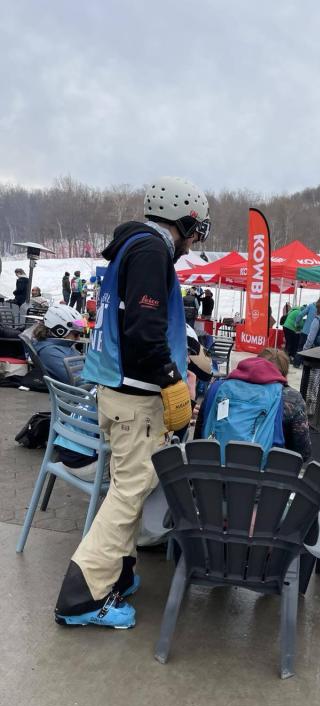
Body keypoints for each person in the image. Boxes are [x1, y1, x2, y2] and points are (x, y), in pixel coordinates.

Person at [54, 175, 210, 629]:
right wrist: (170, 382)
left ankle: (117, 576)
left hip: (117, 391)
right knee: (129, 491)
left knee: (130, 484)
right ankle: (80, 596)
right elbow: (144, 331)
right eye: (196, 227)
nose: (195, 238)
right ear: (183, 219)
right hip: (135, 396)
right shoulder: (151, 250)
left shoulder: (134, 245)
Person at [258, 348, 312, 461]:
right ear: (285, 372)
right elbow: (303, 452)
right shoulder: (292, 397)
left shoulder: (233, 390)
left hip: (230, 464)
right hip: (272, 468)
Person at [31, 305, 86, 383]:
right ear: (59, 330)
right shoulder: (50, 352)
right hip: (81, 392)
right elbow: (76, 382)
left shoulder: (61, 347)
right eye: (76, 334)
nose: (78, 339)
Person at [293, 302, 317, 367]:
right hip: (315, 334)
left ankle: (296, 363)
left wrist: (297, 324)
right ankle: (306, 365)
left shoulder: (311, 306)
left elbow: (300, 315)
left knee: (300, 348)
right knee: (311, 350)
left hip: (305, 331)